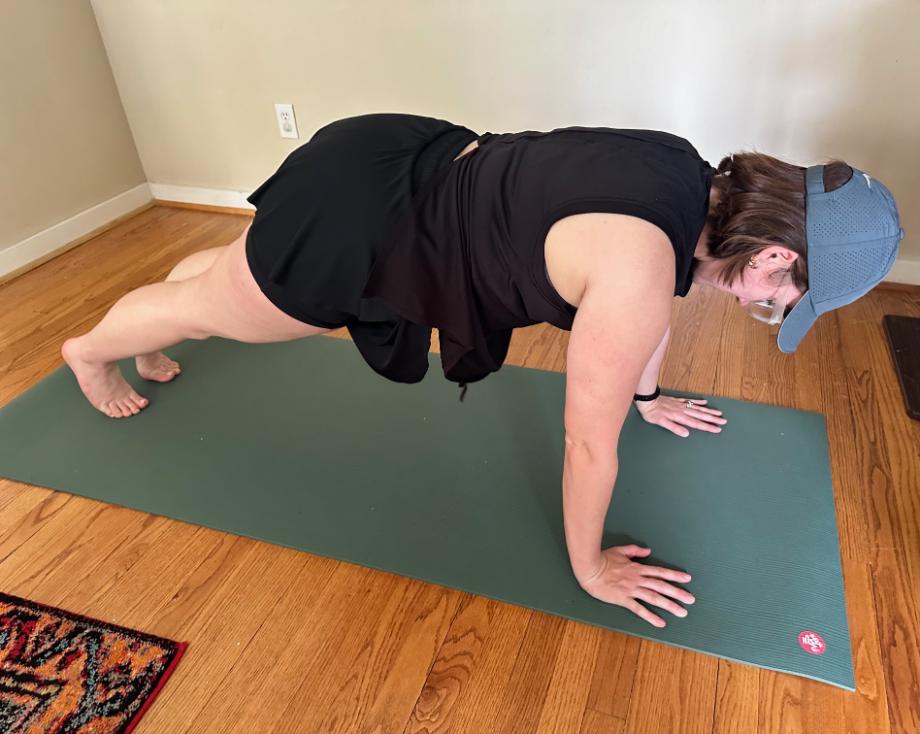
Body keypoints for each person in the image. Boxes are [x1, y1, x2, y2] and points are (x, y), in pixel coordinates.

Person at [61, 113, 904, 627]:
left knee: (227, 283)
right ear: (777, 255)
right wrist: (591, 568)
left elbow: (651, 294)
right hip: (369, 222)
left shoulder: (682, 172)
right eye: (788, 295)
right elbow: (585, 446)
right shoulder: (642, 275)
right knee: (224, 308)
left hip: (397, 156)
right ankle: (89, 353)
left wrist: (647, 397)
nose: (771, 307)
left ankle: (171, 309)